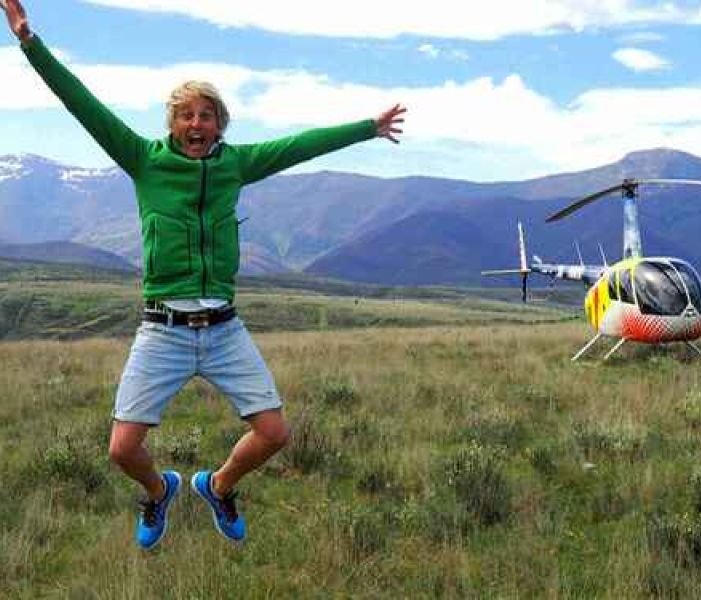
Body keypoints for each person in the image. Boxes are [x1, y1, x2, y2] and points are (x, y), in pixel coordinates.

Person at [3, 0, 405, 550]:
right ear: (172, 123)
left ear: (220, 125)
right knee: (122, 450)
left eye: (207, 116)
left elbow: (298, 145)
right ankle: (158, 493)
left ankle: (217, 487)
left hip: (223, 330)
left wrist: (367, 128)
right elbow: (82, 105)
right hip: (162, 329)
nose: (197, 124)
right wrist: (30, 42)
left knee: (275, 433)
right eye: (187, 115)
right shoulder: (143, 159)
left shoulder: (235, 164)